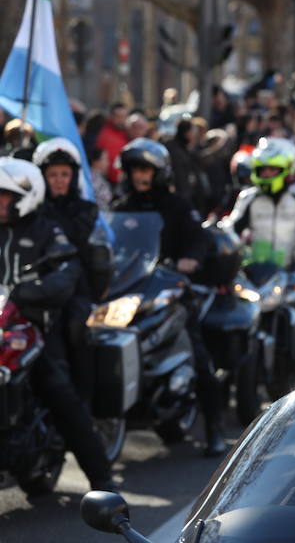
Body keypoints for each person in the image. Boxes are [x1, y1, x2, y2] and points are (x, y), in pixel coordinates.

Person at [0, 158, 116, 491]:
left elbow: (67, 274)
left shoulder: (47, 231)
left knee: (59, 393)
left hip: (35, 330)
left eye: (5, 196)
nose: (0, 204)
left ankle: (102, 479)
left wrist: (27, 292)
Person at [111, 139, 226, 456]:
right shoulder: (123, 206)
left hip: (172, 287)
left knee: (197, 352)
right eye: (135, 169)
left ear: (159, 172)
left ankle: (214, 429)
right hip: (132, 289)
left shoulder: (178, 205)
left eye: (145, 169)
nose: (139, 176)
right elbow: (111, 242)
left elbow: (198, 239)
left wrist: (191, 259)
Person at [221, 137, 295, 381]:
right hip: (257, 273)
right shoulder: (248, 197)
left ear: (288, 169)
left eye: (274, 169)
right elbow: (230, 228)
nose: (268, 174)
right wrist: (219, 240)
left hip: (294, 271)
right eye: (264, 169)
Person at [33, 138, 113, 398]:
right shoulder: (31, 209)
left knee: (75, 328)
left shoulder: (86, 210)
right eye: (52, 174)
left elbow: (81, 243)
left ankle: (81, 401)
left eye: (64, 174)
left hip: (74, 289)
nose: (58, 180)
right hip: (33, 285)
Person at [96, 103, 130, 184]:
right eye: (118, 116)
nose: (121, 120)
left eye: (124, 116)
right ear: (111, 117)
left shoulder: (126, 133)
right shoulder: (105, 136)